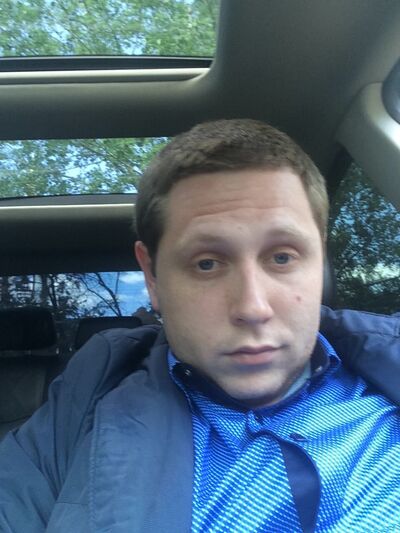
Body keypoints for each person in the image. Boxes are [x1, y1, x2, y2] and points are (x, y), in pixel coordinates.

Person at [0, 119, 399, 533]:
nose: (253, 307)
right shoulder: (85, 404)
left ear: (320, 259)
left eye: (282, 257)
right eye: (207, 264)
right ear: (152, 276)